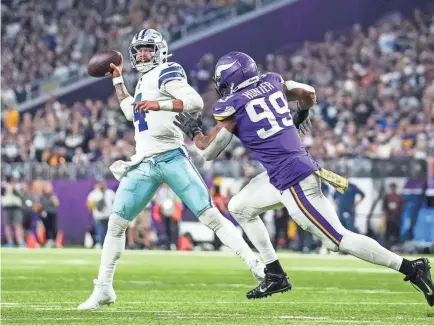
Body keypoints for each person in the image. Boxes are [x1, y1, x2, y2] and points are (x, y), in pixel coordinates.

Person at [174, 51, 434, 306]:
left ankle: (412, 268)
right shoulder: (272, 82)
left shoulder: (232, 105)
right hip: (284, 175)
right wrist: (302, 113)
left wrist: (195, 132)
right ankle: (274, 272)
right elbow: (307, 92)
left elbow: (209, 152)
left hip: (293, 179)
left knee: (337, 240)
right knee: (239, 207)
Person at [78, 30, 264, 310]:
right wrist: (117, 79)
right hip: (143, 162)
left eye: (147, 49)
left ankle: (256, 265)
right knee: (116, 225)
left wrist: (159, 104)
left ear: (160, 51)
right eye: (138, 50)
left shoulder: (168, 70)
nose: (142, 54)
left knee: (211, 216)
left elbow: (194, 102)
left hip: (171, 156)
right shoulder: (143, 79)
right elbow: (131, 112)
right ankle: (103, 288)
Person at [87, 180, 115, 248]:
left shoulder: (110, 192)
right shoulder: (94, 193)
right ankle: (100, 243)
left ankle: (110, 245)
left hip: (109, 215)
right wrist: (92, 211)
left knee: (110, 231)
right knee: (100, 231)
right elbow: (89, 204)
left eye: (103, 184)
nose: (102, 185)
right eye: (100, 184)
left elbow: (115, 202)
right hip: (99, 215)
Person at [1, 175, 25, 247]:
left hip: (16, 207)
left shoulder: (17, 186)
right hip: (7, 207)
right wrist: (6, 187)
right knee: (8, 225)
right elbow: (2, 193)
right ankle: (10, 242)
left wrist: (14, 188)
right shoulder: (3, 186)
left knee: (18, 225)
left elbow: (19, 195)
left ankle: (20, 241)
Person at [382, 183, 405, 248]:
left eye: (393, 187)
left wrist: (398, 213)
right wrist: (386, 213)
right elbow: (384, 207)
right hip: (389, 218)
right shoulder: (387, 197)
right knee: (388, 233)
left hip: (396, 219)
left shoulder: (399, 197)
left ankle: (396, 246)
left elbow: (402, 206)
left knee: (396, 233)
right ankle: (387, 246)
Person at [38, 182, 60, 248]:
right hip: (45, 214)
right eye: (47, 187)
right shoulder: (42, 196)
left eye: (49, 187)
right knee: (47, 227)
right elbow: (40, 206)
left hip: (52, 213)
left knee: (54, 227)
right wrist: (41, 211)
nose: (48, 188)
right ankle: (48, 240)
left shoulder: (53, 195)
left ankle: (55, 241)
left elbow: (57, 204)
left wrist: (54, 199)